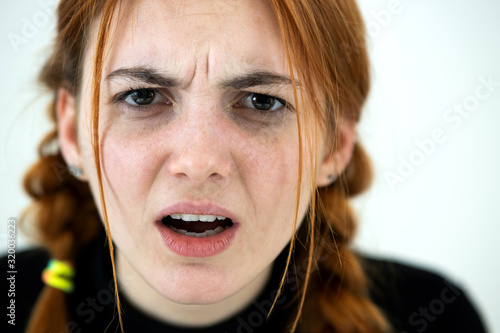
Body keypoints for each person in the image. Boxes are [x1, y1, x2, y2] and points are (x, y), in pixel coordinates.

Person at [2, 0, 487, 332]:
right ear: (72, 132)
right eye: (142, 96)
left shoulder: (431, 317)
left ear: (334, 147)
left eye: (261, 101)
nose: (198, 163)